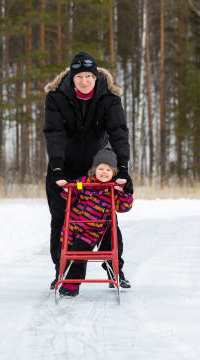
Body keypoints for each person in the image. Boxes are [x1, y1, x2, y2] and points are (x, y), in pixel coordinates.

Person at [43, 51, 133, 290]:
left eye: (89, 76)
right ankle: (62, 273)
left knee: (104, 219)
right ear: (72, 78)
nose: (84, 81)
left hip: (97, 169)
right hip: (64, 166)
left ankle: (116, 270)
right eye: (80, 76)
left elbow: (119, 132)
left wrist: (122, 168)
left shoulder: (109, 97)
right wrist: (58, 170)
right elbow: (54, 135)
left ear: (96, 78)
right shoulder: (56, 97)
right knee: (61, 221)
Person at [58, 149, 133, 297]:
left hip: (93, 230)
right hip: (74, 226)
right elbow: (73, 192)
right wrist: (68, 190)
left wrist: (124, 192)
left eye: (108, 170)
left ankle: (71, 286)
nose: (104, 172)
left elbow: (124, 207)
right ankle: (64, 280)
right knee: (68, 253)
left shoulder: (112, 188)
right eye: (100, 168)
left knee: (78, 254)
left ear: (114, 173)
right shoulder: (84, 183)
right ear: (94, 170)